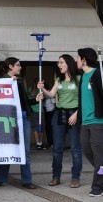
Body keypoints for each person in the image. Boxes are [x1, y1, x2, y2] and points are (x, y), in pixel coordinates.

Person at [0, 57, 40, 189]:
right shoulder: (3, 81)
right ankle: (1, 178)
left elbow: (24, 103)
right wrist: (7, 83)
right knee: (7, 149)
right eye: (18, 65)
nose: (20, 67)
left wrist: (35, 100)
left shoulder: (18, 82)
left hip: (23, 117)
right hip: (9, 118)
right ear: (10, 66)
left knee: (25, 151)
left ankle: (26, 180)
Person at [37, 54, 82, 188]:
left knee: (75, 148)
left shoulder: (79, 79)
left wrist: (77, 114)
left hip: (74, 114)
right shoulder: (59, 79)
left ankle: (75, 177)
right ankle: (56, 177)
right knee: (57, 149)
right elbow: (51, 94)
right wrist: (42, 88)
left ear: (68, 63)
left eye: (61, 62)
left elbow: (84, 100)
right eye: (58, 62)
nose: (59, 65)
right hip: (59, 114)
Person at [76, 48, 103, 197]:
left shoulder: (98, 74)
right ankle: (102, 171)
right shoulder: (82, 78)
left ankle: (98, 186)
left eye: (78, 58)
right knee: (87, 150)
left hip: (98, 121)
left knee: (99, 156)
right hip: (85, 122)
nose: (76, 61)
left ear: (84, 59)